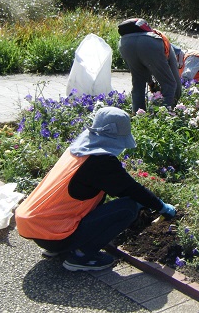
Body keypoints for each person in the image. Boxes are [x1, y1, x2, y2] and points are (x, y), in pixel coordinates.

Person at [14, 106, 177, 272]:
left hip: (38, 224)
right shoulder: (100, 161)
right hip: (53, 232)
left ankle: (58, 247)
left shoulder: (79, 150)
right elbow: (132, 189)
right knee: (129, 207)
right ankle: (81, 255)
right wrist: (161, 207)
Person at [117, 18, 182, 113]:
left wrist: (151, 83)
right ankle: (162, 116)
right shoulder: (170, 49)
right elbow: (176, 85)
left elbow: (145, 71)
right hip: (149, 42)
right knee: (170, 84)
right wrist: (174, 103)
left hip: (125, 43)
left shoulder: (159, 39)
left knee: (138, 83)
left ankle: (138, 117)